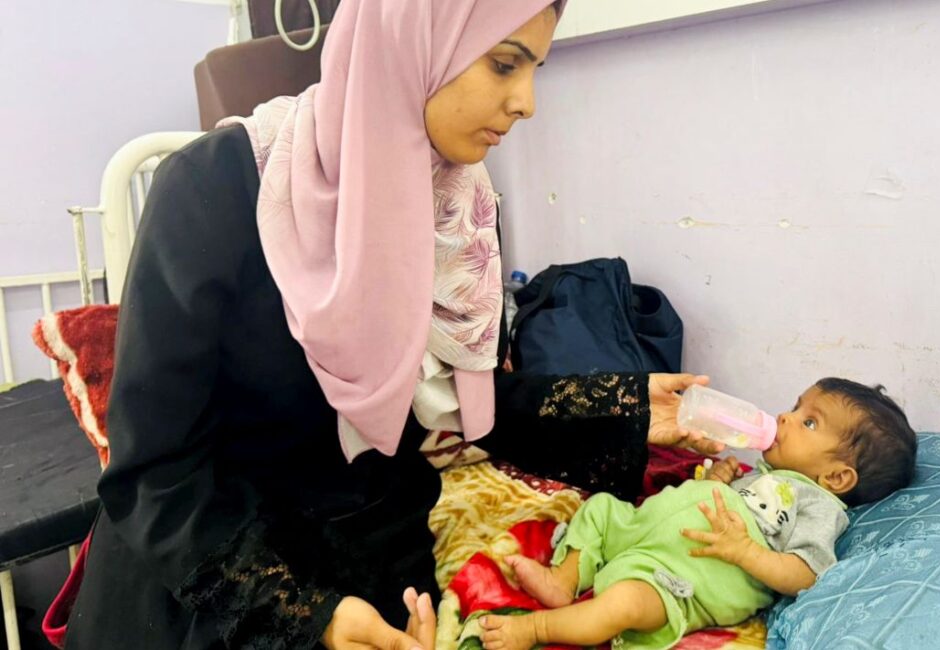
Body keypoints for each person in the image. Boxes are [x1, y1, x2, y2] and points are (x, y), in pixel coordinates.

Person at [63, 2, 723, 649]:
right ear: (414, 41)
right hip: (214, 574)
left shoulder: (458, 210)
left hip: (375, 561)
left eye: (535, 71)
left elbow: (467, 405)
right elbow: (155, 474)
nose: (527, 102)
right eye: (503, 65)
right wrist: (302, 616)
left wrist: (624, 408)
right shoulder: (213, 188)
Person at [480, 378, 918, 650]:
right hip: (644, 529)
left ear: (838, 478)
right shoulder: (762, 473)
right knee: (600, 507)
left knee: (625, 605)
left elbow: (805, 573)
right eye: (796, 406)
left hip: (679, 578)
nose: (785, 417)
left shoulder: (820, 506)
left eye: (809, 422)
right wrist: (719, 483)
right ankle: (564, 579)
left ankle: (538, 628)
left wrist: (745, 551)